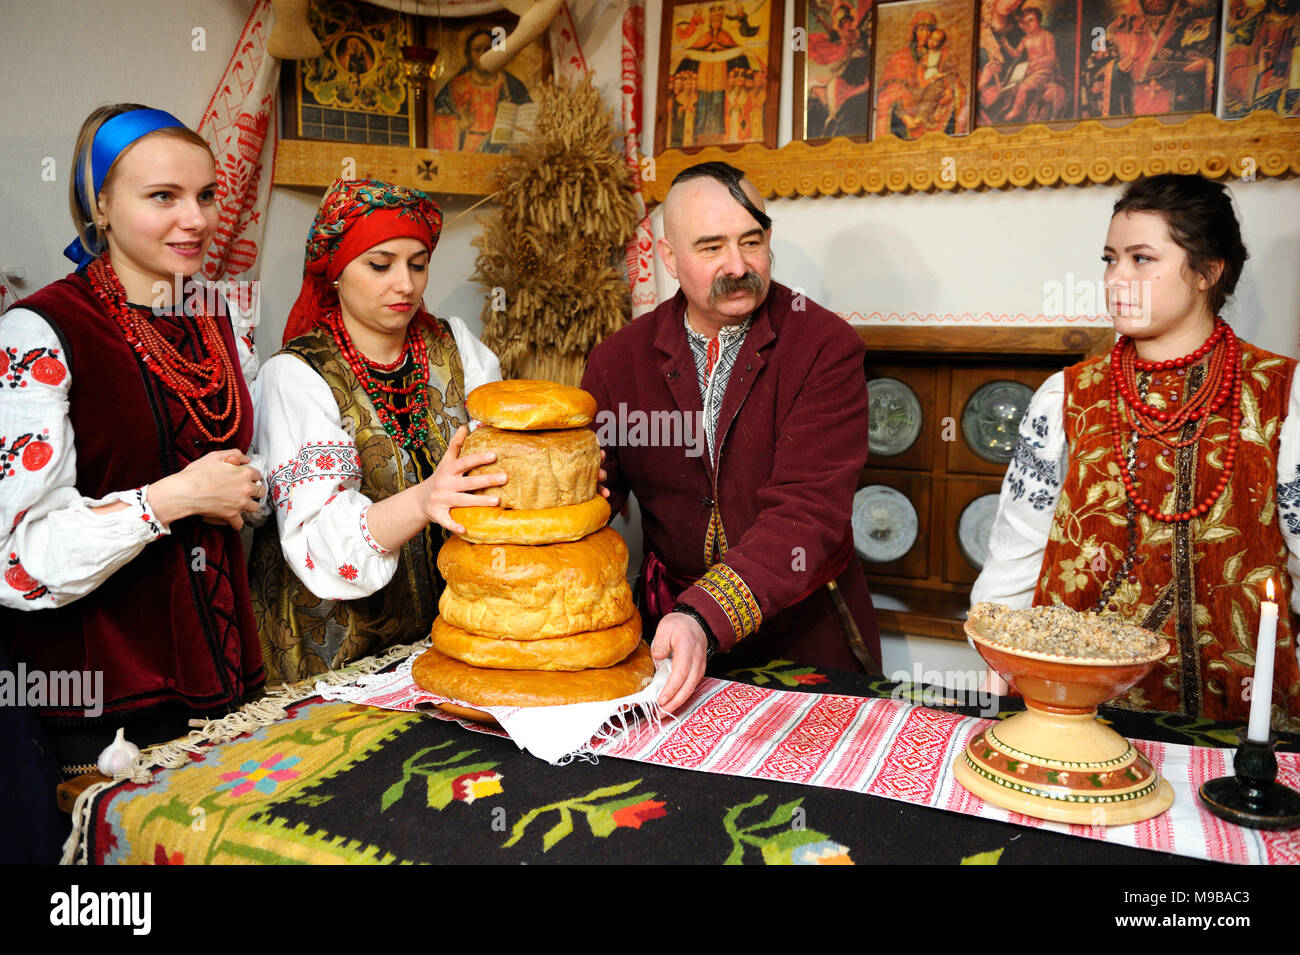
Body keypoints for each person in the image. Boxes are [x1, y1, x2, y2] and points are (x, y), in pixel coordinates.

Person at [971, 173, 1300, 730]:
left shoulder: (1282, 396)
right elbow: (1014, 559)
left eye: (1142, 258)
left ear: (1207, 272)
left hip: (1237, 721)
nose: (1116, 278)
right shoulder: (1066, 396)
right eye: (1109, 259)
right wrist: (994, 683)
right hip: (1070, 711)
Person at [0, 104, 265, 776]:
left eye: (206, 194)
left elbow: (237, 461)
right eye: (163, 197)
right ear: (102, 206)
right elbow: (17, 556)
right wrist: (170, 499)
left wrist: (251, 487)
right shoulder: (40, 331)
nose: (197, 219)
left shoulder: (215, 312)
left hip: (232, 682)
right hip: (105, 707)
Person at [581, 161, 880, 713]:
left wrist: (705, 615)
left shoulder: (824, 345)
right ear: (669, 259)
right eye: (711, 248)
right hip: (668, 631)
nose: (738, 266)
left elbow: (809, 513)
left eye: (752, 241)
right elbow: (594, 492)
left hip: (805, 634)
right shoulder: (618, 358)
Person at [250, 179, 504, 683]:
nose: (404, 285)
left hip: (450, 636)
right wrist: (424, 499)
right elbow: (321, 539)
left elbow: (500, 460)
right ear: (337, 272)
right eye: (380, 264)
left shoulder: (455, 345)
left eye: (417, 263)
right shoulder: (297, 375)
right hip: (339, 656)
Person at [432, 28, 532, 153]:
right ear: (469, 54)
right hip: (468, 153)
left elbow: (529, 120)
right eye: (477, 50)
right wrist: (459, 126)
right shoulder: (456, 86)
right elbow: (436, 122)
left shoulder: (512, 86)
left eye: (488, 49)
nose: (483, 55)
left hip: (502, 153)